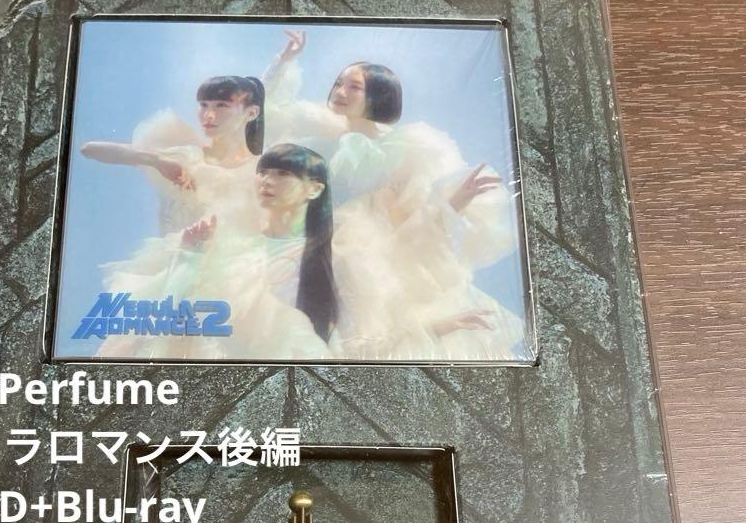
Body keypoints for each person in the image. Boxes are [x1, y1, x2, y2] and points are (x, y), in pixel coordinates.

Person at [263, 30, 527, 360]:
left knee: (371, 339)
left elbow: (414, 218)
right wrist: (285, 61)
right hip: (316, 247)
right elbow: (267, 114)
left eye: (354, 87)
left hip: (372, 257)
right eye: (339, 83)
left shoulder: (406, 148)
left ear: (379, 95)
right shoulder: (322, 130)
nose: (340, 92)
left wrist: (458, 199)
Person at [94, 144, 336, 362]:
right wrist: (189, 256)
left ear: (314, 189)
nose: (267, 181)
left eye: (283, 173)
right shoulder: (229, 242)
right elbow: (169, 315)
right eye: (263, 172)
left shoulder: (333, 253)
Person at [79, 74, 265, 238]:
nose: (208, 115)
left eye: (221, 105)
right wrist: (157, 161)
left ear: (252, 113)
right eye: (203, 105)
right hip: (175, 260)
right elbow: (90, 149)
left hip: (237, 263)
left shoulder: (261, 171)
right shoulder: (187, 157)